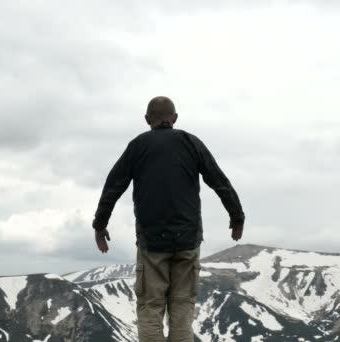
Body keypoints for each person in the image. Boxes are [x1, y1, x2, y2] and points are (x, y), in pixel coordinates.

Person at [91, 96, 245, 342]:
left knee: (150, 308)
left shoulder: (137, 146)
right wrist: (237, 216)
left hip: (151, 243)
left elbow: (113, 187)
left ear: (146, 120)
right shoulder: (191, 142)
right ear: (175, 118)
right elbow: (219, 181)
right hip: (188, 240)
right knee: (182, 308)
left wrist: (100, 225)